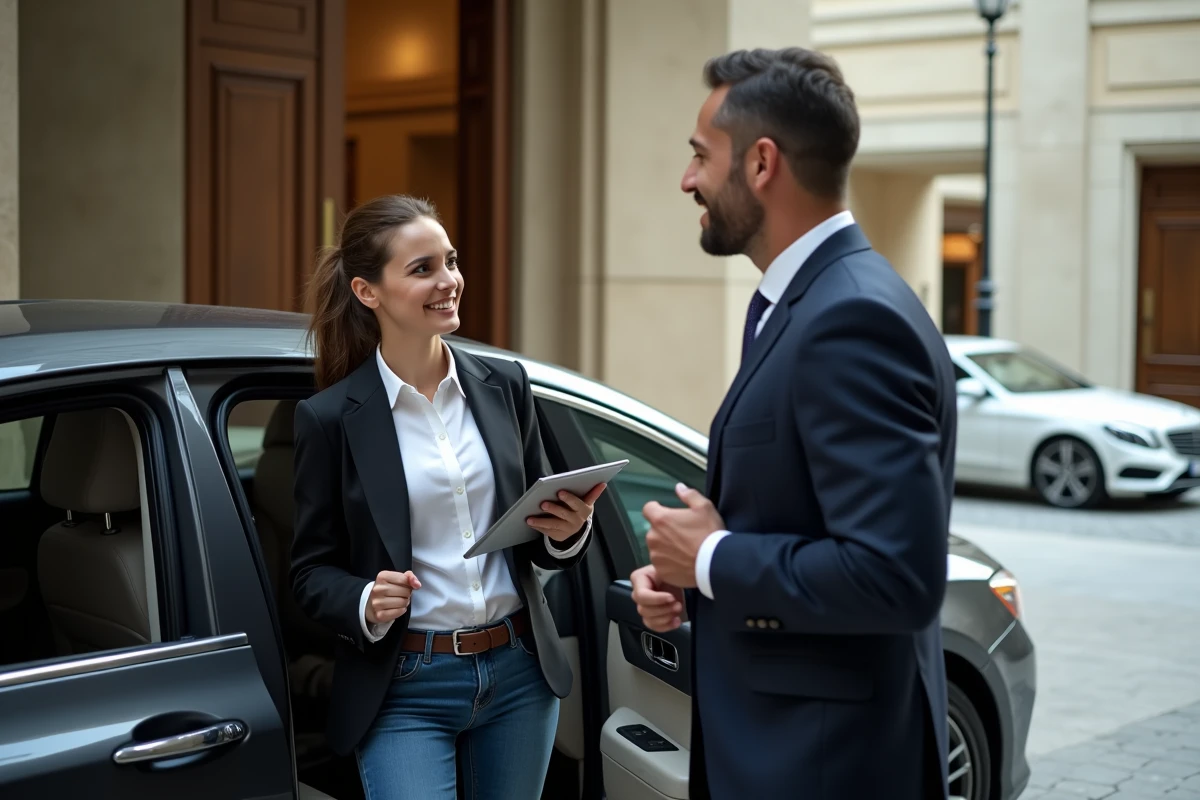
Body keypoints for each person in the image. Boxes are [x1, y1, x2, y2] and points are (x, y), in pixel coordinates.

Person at [630, 48, 956, 799]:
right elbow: (805, 524)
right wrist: (699, 577)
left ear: (762, 163)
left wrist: (713, 557)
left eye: (699, 156)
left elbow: (895, 578)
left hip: (823, 767)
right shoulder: (803, 302)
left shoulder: (852, 318)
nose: (687, 180)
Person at [290, 194, 603, 799]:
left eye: (451, 262)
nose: (449, 281)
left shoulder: (504, 385)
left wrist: (566, 534)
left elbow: (536, 532)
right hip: (405, 682)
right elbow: (308, 572)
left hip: (519, 672)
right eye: (422, 268)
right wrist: (363, 599)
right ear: (367, 292)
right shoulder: (330, 418)